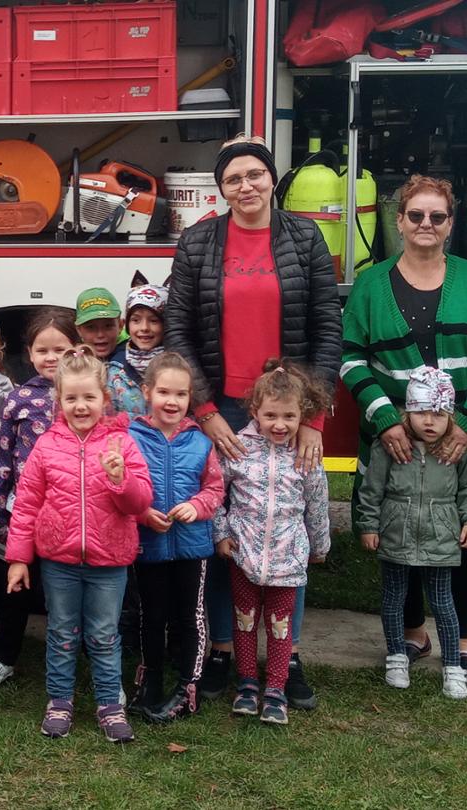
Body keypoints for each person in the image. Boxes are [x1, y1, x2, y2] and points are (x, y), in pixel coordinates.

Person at [163, 134, 340, 710]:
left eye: (255, 175)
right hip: (228, 410)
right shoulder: (196, 242)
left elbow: (326, 328)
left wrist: (313, 415)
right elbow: (179, 332)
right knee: (225, 532)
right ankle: (221, 650)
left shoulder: (304, 237)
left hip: (287, 412)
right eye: (234, 178)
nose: (246, 186)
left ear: (272, 180)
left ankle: (287, 661)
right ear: (221, 188)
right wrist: (207, 411)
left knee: (286, 525)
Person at [340, 174, 467, 682]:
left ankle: (462, 641)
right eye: (415, 215)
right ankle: (413, 633)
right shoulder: (372, 285)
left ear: (450, 224)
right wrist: (386, 420)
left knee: (465, 533)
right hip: (392, 444)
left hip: (463, 440)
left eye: (437, 216)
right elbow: (351, 359)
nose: (425, 224)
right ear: (399, 221)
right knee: (402, 531)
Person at [5, 347, 152, 743]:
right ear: (60, 401)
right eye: (71, 398)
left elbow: (140, 504)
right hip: (59, 561)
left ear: (104, 400)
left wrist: (120, 479)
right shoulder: (47, 446)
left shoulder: (122, 443)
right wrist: (19, 558)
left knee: (104, 635)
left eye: (89, 397)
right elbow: (27, 503)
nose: (80, 405)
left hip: (110, 562)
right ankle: (60, 701)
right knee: (62, 633)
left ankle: (109, 705)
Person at [354, 366, 467, 701]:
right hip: (396, 535)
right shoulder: (390, 448)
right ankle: (397, 656)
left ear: (451, 416)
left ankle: (453, 666)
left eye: (439, 414)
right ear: (408, 413)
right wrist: (368, 525)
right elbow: (371, 489)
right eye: (422, 413)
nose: (430, 421)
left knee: (444, 603)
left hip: (441, 539)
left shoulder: (456, 451)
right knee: (394, 598)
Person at [221, 360, 331, 726]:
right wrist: (221, 534)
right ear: (255, 411)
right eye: (270, 415)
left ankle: (276, 689)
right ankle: (248, 683)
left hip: (288, 559)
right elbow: (216, 494)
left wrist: (320, 546)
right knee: (245, 621)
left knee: (280, 626)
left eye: (289, 416)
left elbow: (317, 504)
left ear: (303, 415)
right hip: (244, 555)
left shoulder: (306, 456)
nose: (279, 425)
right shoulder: (238, 448)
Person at [0, 310, 77, 690]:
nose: (52, 358)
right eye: (43, 350)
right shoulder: (18, 401)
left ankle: (70, 660)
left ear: (76, 350)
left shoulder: (85, 399)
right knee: (15, 587)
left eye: (61, 350)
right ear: (30, 354)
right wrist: (2, 509)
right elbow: (1, 456)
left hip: (72, 513)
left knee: (66, 591)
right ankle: (3, 656)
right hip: (24, 511)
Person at [125, 353, 224, 723]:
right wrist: (141, 514)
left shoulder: (200, 442)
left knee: (190, 617)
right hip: (147, 544)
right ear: (147, 392)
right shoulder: (130, 438)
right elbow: (121, 488)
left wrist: (197, 506)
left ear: (189, 398)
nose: (172, 401)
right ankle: (149, 680)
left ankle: (188, 688)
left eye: (180, 394)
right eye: (164, 391)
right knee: (150, 616)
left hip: (192, 547)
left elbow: (215, 489)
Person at [108, 278, 169, 418]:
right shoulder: (115, 368)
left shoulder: (177, 365)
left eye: (154, 321)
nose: (144, 328)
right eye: (136, 320)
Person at [74, 287, 124, 362]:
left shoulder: (134, 360)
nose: (100, 335)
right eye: (91, 327)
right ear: (79, 330)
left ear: (120, 326)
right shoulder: (71, 363)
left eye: (108, 326)